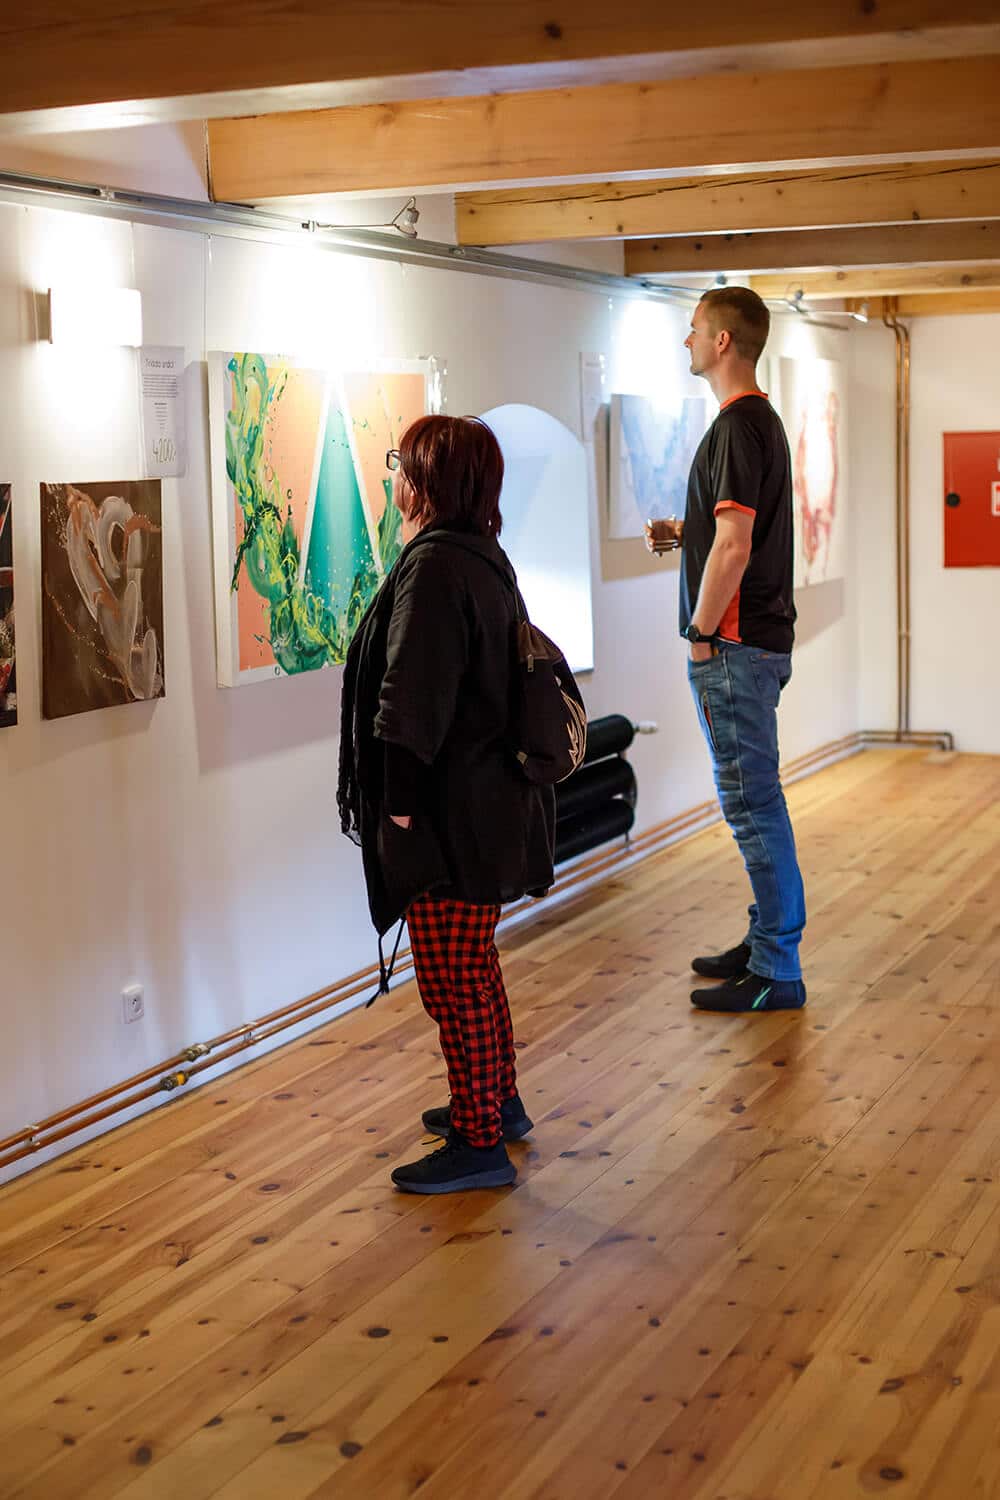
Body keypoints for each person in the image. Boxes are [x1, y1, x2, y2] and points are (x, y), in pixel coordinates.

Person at [338, 415, 556, 1192]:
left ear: (425, 480)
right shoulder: (481, 553)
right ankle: (496, 1102)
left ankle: (478, 1142)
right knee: (474, 966)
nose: (393, 474)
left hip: (451, 817)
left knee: (450, 979)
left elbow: (411, 697)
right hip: (489, 806)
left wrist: (398, 810)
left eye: (401, 462)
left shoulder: (434, 565)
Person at [646, 287, 806, 1013]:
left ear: (721, 342)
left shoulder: (739, 427)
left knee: (752, 806)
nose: (686, 341)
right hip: (752, 643)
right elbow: (737, 532)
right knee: (756, 801)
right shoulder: (756, 422)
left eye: (693, 330)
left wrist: (701, 635)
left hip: (734, 646)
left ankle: (777, 968)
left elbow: (737, 546)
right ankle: (766, 938)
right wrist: (687, 535)